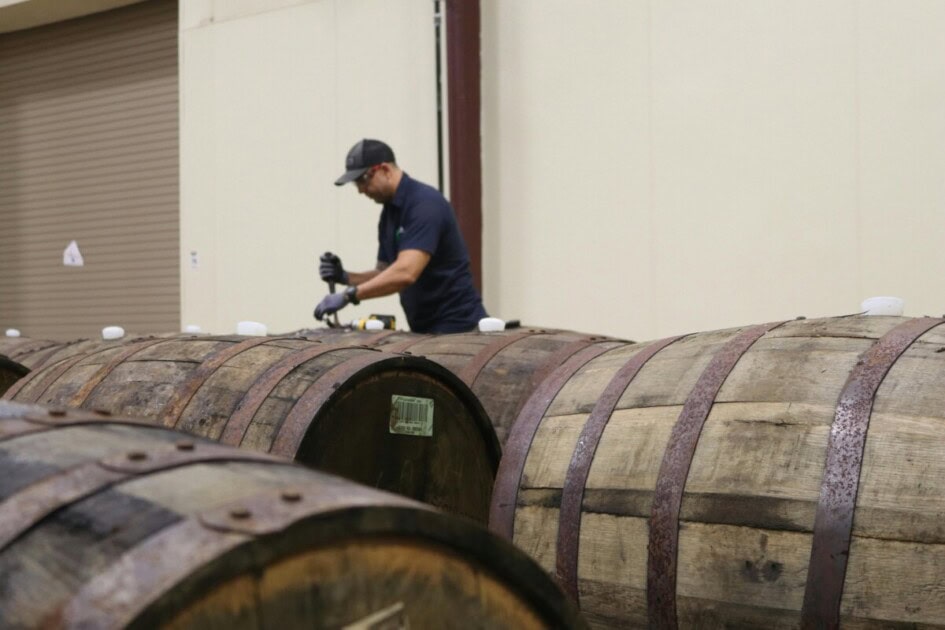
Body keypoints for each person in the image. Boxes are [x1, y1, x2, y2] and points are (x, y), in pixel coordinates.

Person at [314, 139, 487, 333]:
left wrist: (349, 295)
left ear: (385, 170)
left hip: (460, 329)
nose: (361, 190)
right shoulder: (389, 215)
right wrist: (346, 276)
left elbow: (405, 273)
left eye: (363, 180)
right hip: (426, 331)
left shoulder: (425, 205)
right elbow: (385, 273)